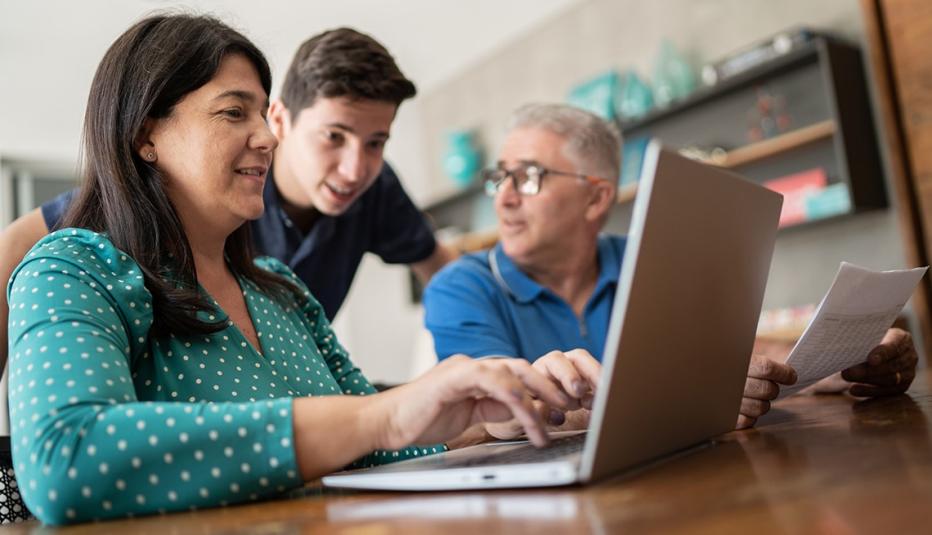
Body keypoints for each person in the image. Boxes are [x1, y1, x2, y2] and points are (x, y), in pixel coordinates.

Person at [5, 16, 595, 525]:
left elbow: (375, 445)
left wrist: (495, 415)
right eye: (235, 112)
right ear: (144, 136)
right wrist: (382, 417)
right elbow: (65, 462)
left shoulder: (282, 290)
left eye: (263, 114)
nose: (266, 137)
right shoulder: (75, 268)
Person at [423, 103, 920, 430]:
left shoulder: (646, 254)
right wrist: (691, 398)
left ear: (597, 198)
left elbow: (730, 352)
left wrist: (846, 358)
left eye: (527, 177)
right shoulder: (458, 287)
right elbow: (492, 418)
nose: (504, 198)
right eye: (499, 178)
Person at [0, 25, 456, 375]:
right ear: (282, 119)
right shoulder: (79, 258)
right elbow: (21, 240)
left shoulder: (374, 194)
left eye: (376, 143)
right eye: (333, 136)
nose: (355, 169)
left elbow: (442, 269)